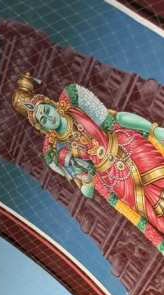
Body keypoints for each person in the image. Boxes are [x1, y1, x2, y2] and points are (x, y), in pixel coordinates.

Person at [13, 73, 164, 254]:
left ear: (50, 103)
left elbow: (114, 120)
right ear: (41, 127)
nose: (48, 117)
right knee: (154, 216)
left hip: (129, 147)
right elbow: (86, 184)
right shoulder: (56, 151)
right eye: (43, 120)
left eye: (46, 110)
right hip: (116, 181)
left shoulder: (73, 100)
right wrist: (84, 181)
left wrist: (152, 129)